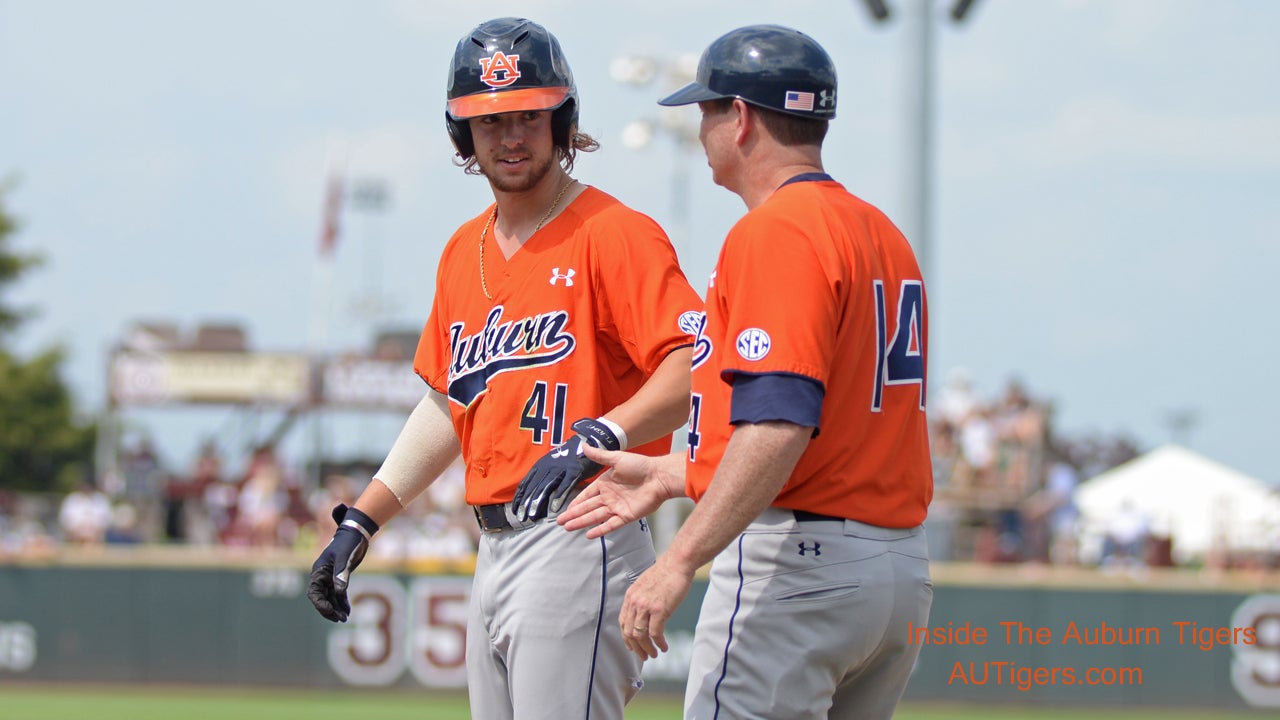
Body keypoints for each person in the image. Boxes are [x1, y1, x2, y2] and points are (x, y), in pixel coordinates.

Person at [305, 17, 702, 720]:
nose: (510, 136)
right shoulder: (465, 250)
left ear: (561, 120)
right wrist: (362, 520)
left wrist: (604, 434)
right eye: (489, 121)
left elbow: (691, 372)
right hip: (493, 547)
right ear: (463, 135)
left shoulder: (615, 234)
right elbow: (449, 406)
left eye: (527, 115)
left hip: (583, 533)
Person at [559, 25, 934, 719]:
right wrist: (677, 474)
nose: (700, 128)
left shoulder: (777, 230)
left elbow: (782, 424)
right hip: (895, 572)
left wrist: (679, 561)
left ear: (740, 118)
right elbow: (833, 430)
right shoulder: (881, 232)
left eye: (706, 110)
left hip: (800, 563)